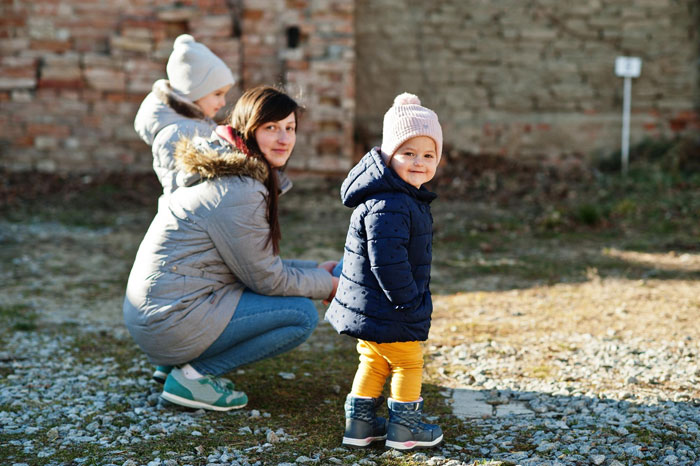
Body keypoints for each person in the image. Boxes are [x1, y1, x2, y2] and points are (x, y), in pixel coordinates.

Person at [123, 85, 339, 411]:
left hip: (161, 315)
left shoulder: (228, 173)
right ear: (248, 129)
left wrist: (314, 270)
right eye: (271, 128)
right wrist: (329, 284)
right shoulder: (239, 190)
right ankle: (194, 377)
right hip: (170, 321)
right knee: (300, 315)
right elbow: (266, 280)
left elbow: (253, 264)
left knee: (291, 300)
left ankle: (176, 364)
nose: (284, 139)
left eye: (290, 128)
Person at [325, 93, 443, 450]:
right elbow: (387, 262)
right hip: (393, 304)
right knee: (408, 360)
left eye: (428, 154)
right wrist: (409, 301)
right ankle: (405, 428)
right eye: (408, 153)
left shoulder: (399, 196)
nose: (419, 162)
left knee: (374, 358)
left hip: (375, 305)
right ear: (389, 156)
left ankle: (359, 426)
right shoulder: (390, 204)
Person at [134, 34, 235, 210]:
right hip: (188, 222)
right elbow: (181, 188)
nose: (223, 102)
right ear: (194, 91)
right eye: (217, 94)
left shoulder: (196, 123)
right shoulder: (178, 132)